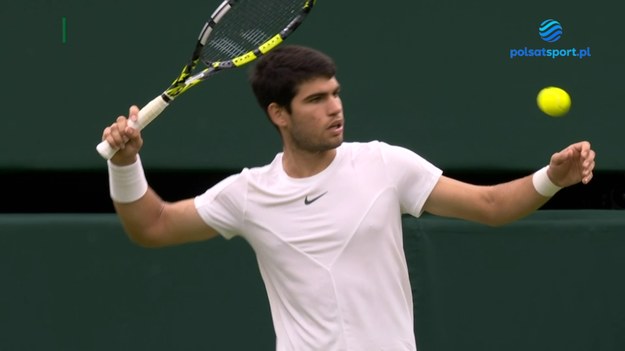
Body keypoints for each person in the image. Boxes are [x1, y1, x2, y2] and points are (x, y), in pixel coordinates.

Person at [101, 45, 595, 351]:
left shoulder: (384, 164)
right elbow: (153, 226)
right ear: (279, 114)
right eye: (316, 100)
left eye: (336, 94)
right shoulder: (249, 194)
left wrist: (551, 177)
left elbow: (491, 208)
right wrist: (124, 163)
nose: (335, 108)